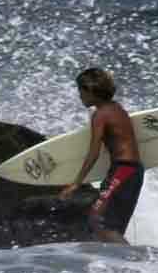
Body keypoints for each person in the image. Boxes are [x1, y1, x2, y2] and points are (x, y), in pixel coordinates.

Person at [59, 66, 145, 239]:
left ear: (90, 90)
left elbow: (94, 152)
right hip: (132, 171)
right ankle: (125, 263)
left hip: (123, 170)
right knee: (110, 226)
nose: (79, 96)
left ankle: (137, 261)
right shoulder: (117, 108)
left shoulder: (100, 115)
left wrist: (77, 183)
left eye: (80, 90)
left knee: (98, 220)